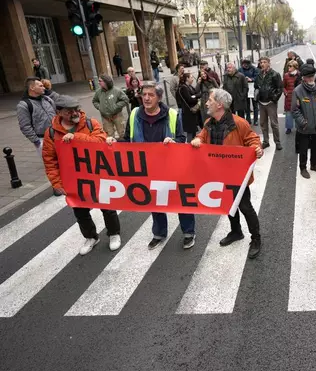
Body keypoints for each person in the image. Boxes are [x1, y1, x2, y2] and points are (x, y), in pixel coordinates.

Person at [106, 82, 196, 250]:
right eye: (144, 94)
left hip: (171, 167)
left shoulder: (172, 114)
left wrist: (173, 142)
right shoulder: (134, 114)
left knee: (179, 199)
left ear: (159, 97)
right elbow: (127, 139)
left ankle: (188, 232)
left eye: (151, 95)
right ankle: (159, 233)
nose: (146, 98)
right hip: (147, 169)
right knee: (155, 201)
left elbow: (182, 139)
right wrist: (114, 142)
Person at [42, 95, 121, 255]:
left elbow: (101, 142)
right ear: (59, 112)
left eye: (77, 109)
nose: (75, 113)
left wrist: (76, 137)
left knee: (107, 207)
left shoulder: (91, 124)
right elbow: (50, 160)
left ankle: (114, 233)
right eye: (69, 111)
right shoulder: (51, 133)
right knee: (80, 211)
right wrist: (57, 184)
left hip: (97, 174)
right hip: (74, 180)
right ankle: (91, 237)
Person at [191, 89, 263, 259]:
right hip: (219, 174)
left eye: (210, 100)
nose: (206, 103)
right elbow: (201, 137)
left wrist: (257, 149)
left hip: (238, 175)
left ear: (219, 105)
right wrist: (198, 140)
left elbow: (253, 139)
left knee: (245, 206)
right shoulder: (209, 123)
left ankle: (256, 238)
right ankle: (236, 231)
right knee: (229, 205)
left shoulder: (238, 123)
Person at [292, 64, 316, 179]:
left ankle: (314, 164)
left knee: (315, 146)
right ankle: (303, 167)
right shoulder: (298, 91)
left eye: (312, 76)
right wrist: (303, 123)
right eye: (308, 77)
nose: (311, 79)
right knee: (303, 149)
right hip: (304, 127)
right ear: (303, 78)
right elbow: (295, 110)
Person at [17, 77, 56, 156]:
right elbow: (25, 126)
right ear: (32, 87)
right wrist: (37, 142)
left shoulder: (47, 99)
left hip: (57, 136)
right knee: (51, 165)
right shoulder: (24, 105)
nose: (44, 88)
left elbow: (57, 114)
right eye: (41, 86)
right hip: (43, 139)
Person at [255, 56, 283, 150]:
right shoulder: (259, 74)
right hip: (261, 102)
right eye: (261, 62)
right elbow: (256, 86)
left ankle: (277, 142)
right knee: (263, 123)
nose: (262, 64)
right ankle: (266, 141)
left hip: (271, 103)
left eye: (264, 62)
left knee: (274, 124)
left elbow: (279, 89)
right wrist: (256, 95)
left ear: (268, 63)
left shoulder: (275, 74)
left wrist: (274, 99)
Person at [92, 74, 129, 139]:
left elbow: (125, 100)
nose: (98, 82)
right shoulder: (98, 92)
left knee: (122, 134)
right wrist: (100, 107)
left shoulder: (117, 90)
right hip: (105, 118)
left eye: (100, 81)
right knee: (109, 136)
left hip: (117, 116)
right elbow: (94, 101)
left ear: (106, 82)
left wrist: (116, 106)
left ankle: (123, 147)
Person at [176, 72, 201, 141]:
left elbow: (196, 92)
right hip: (188, 112)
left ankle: (192, 143)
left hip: (192, 112)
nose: (192, 79)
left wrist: (195, 96)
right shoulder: (184, 87)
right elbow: (190, 99)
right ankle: (189, 145)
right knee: (190, 131)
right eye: (191, 77)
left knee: (193, 130)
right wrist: (196, 97)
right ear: (187, 79)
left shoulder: (189, 86)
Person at [282, 60, 301, 135]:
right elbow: (283, 86)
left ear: (295, 67)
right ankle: (289, 128)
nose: (288, 67)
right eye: (288, 66)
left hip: (297, 97)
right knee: (288, 113)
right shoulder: (286, 75)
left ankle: (298, 127)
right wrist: (285, 92)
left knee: (298, 112)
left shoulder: (300, 75)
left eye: (290, 66)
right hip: (288, 97)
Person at [239, 59, 259, 125]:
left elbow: (257, 77)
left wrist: (251, 79)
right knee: (246, 106)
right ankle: (248, 120)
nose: (245, 66)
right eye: (243, 64)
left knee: (255, 105)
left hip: (253, 88)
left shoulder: (254, 69)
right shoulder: (240, 69)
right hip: (245, 89)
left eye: (246, 64)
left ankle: (256, 120)